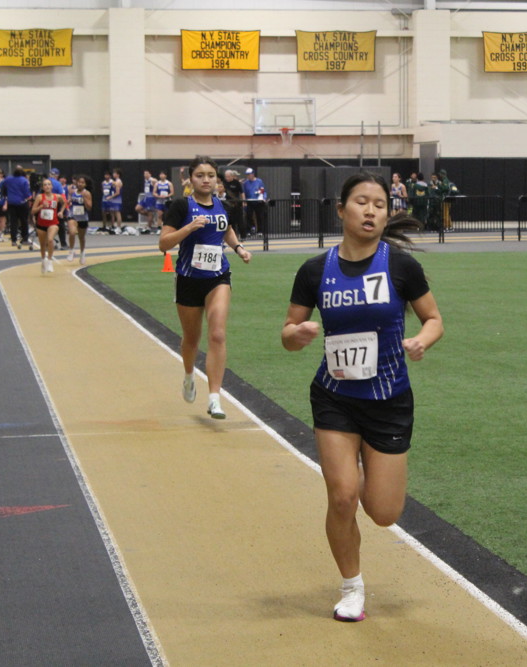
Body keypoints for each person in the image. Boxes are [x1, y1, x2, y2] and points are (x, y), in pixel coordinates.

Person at [281, 172, 444, 623]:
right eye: (361, 202)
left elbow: (434, 319)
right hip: (335, 396)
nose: (370, 210)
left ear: (387, 214)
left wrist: (422, 341)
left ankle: (368, 472)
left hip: (389, 399)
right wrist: (299, 333)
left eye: (379, 204)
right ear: (341, 210)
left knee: (384, 512)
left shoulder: (401, 267)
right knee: (341, 497)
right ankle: (351, 587)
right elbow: (287, 334)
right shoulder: (315, 271)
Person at [159, 156, 252, 419]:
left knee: (218, 334)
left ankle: (214, 398)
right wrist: (188, 228)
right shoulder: (181, 206)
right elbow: (164, 244)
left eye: (211, 175)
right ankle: (189, 375)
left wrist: (239, 248)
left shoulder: (224, 205)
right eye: (200, 175)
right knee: (191, 338)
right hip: (189, 279)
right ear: (191, 178)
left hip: (218, 277)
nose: (206, 180)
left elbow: (226, 229)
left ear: (217, 179)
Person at [31, 177, 65, 274]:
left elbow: (64, 203)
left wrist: (61, 212)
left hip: (53, 223)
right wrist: (41, 206)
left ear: (52, 186)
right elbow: (33, 211)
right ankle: (43, 261)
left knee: (50, 240)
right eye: (45, 185)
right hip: (41, 224)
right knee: (43, 245)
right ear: (42, 187)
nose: (47, 186)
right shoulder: (39, 197)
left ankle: (50, 261)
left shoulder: (57, 197)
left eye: (49, 184)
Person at [3, 167, 32, 249]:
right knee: (24, 221)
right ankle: (25, 239)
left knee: (13, 222)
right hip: (22, 203)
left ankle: (13, 240)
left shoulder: (8, 179)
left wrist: (7, 195)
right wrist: (30, 197)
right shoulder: (24, 180)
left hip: (11, 203)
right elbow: (27, 193)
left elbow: (4, 187)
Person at [67, 175, 93, 265]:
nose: (80, 184)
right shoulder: (73, 192)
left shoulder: (87, 193)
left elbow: (89, 207)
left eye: (82, 182)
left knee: (81, 237)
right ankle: (71, 250)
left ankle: (82, 253)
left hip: (82, 217)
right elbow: (70, 201)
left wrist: (84, 198)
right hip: (73, 216)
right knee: (72, 233)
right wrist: (69, 202)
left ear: (85, 184)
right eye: (79, 182)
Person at [241, 167, 267, 237]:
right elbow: (244, 192)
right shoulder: (245, 183)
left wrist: (264, 198)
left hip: (258, 201)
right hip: (249, 201)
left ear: (253, 174)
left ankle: (260, 231)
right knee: (248, 216)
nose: (248, 176)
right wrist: (244, 201)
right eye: (247, 175)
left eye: (249, 174)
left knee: (259, 216)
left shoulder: (259, 181)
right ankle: (249, 230)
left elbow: (263, 190)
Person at [221, 169, 245, 239]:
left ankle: (243, 236)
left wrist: (244, 201)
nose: (227, 178)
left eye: (228, 176)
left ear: (232, 176)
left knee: (240, 220)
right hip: (228, 204)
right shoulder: (224, 182)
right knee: (231, 221)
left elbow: (242, 192)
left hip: (237, 204)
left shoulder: (236, 183)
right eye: (226, 176)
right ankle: (234, 236)